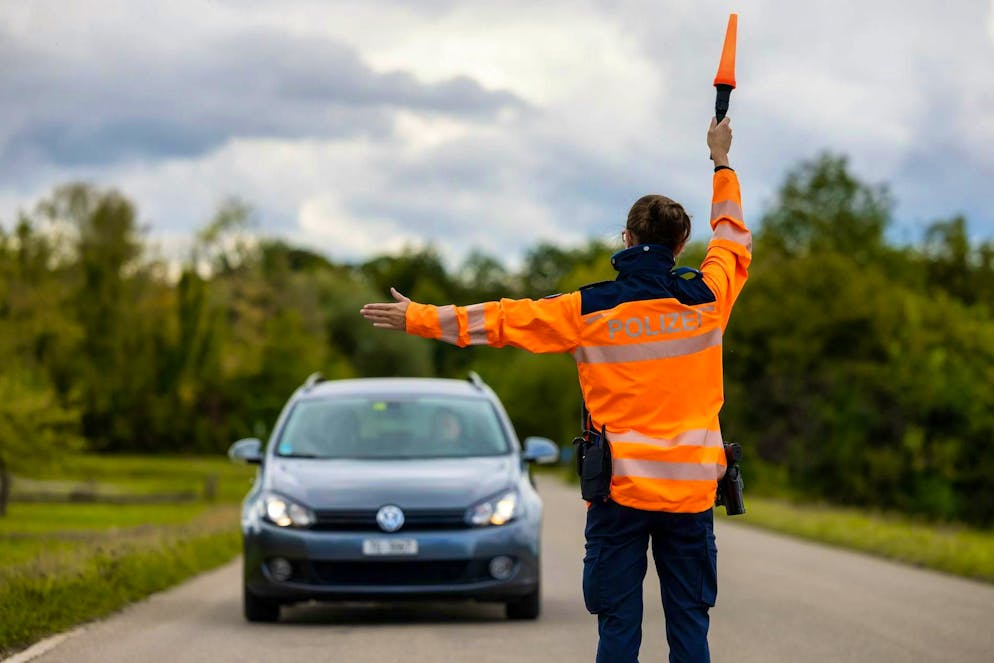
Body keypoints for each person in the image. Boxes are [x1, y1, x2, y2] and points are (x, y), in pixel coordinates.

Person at [360, 116, 749, 663]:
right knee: (689, 625)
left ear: (627, 240)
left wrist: (420, 318)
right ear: (681, 245)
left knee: (618, 628)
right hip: (689, 494)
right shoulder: (709, 298)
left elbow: (499, 320)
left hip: (619, 493)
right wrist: (721, 160)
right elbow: (732, 237)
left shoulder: (585, 310)